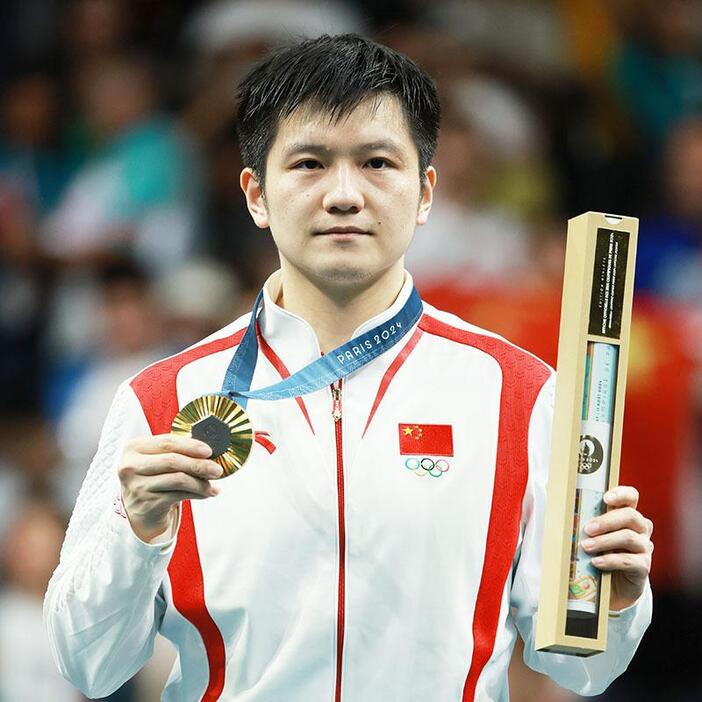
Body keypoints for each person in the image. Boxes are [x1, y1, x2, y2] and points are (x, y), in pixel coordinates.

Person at [44, 34, 654, 701]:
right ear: (255, 194)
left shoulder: (522, 395)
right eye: (308, 163)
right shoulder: (161, 400)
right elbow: (88, 666)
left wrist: (618, 600)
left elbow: (580, 666)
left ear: (424, 192)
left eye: (376, 163)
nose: (343, 194)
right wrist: (135, 533)